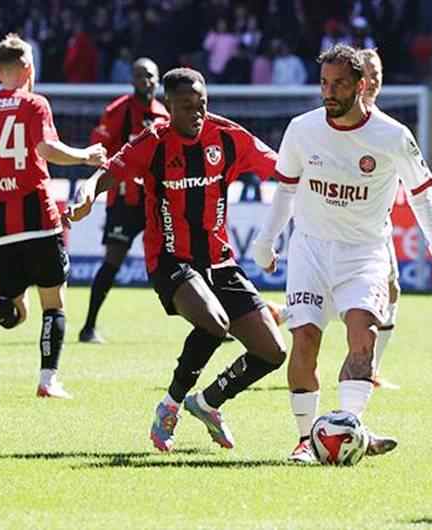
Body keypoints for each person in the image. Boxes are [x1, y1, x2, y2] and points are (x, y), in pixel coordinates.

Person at [251, 44, 432, 464]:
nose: (329, 92)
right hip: (309, 248)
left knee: (362, 338)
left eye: (339, 84)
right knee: (305, 340)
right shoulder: (302, 129)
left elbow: (420, 194)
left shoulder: (393, 136)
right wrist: (265, 240)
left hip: (364, 252)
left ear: (361, 85)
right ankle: (305, 441)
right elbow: (286, 190)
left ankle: (344, 429)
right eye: (325, 83)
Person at [67, 68, 287, 453]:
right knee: (214, 322)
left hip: (219, 261)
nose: (197, 113)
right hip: (171, 260)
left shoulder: (228, 138)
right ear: (168, 107)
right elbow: (107, 173)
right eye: (186, 106)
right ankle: (169, 405)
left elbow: (284, 170)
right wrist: (87, 194)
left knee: (272, 351)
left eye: (201, 104)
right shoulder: (152, 143)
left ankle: (208, 401)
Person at [0, 33, 107, 398]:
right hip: (38, 217)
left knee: (16, 313)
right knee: (54, 303)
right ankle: (48, 380)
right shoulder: (34, 104)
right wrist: (86, 156)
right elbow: (46, 148)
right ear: (29, 68)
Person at [269, 48, 403, 390]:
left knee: (387, 294)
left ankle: (367, 371)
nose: (374, 80)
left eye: (378, 74)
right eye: (368, 72)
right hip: (328, 234)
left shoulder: (385, 130)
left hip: (372, 232)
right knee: (366, 296)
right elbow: (288, 185)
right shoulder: (316, 125)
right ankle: (290, 314)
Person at [78, 58, 170, 344]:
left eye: (151, 76)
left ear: (158, 80)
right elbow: (99, 147)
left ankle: (210, 322)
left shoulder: (164, 115)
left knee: (178, 259)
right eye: (141, 76)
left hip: (154, 201)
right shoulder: (118, 111)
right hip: (124, 202)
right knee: (113, 261)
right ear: (132, 79)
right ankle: (88, 327)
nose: (147, 81)